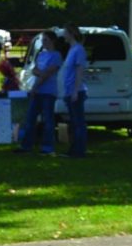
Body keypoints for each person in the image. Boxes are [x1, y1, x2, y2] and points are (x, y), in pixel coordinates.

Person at [15, 30, 63, 155]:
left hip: (48, 92)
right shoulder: (41, 54)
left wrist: (35, 86)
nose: (44, 42)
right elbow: (35, 70)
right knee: (30, 119)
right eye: (42, 40)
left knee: (48, 120)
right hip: (37, 91)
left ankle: (47, 147)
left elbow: (48, 73)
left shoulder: (56, 56)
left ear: (53, 41)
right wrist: (41, 74)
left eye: (46, 40)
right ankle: (26, 145)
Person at [61, 25, 88, 158]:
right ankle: (73, 149)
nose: (63, 35)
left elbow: (79, 71)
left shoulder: (78, 49)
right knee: (73, 122)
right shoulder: (71, 49)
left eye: (65, 32)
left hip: (76, 91)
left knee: (78, 123)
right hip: (69, 91)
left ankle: (79, 151)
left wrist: (75, 91)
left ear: (71, 34)